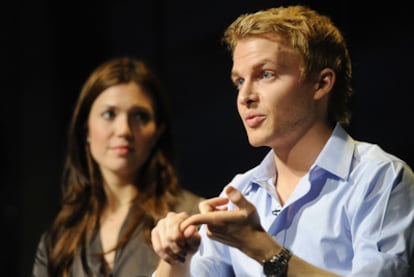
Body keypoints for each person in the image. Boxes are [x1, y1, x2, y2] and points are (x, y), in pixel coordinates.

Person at [150, 5, 414, 277]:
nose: (245, 96)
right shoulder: (240, 192)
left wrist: (261, 246)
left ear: (321, 84)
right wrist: (177, 255)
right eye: (239, 81)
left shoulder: (379, 179)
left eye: (265, 74)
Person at [31, 56, 204, 277]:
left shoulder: (191, 216)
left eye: (140, 116)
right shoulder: (59, 239)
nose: (124, 130)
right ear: (85, 129)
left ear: (158, 132)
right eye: (109, 114)